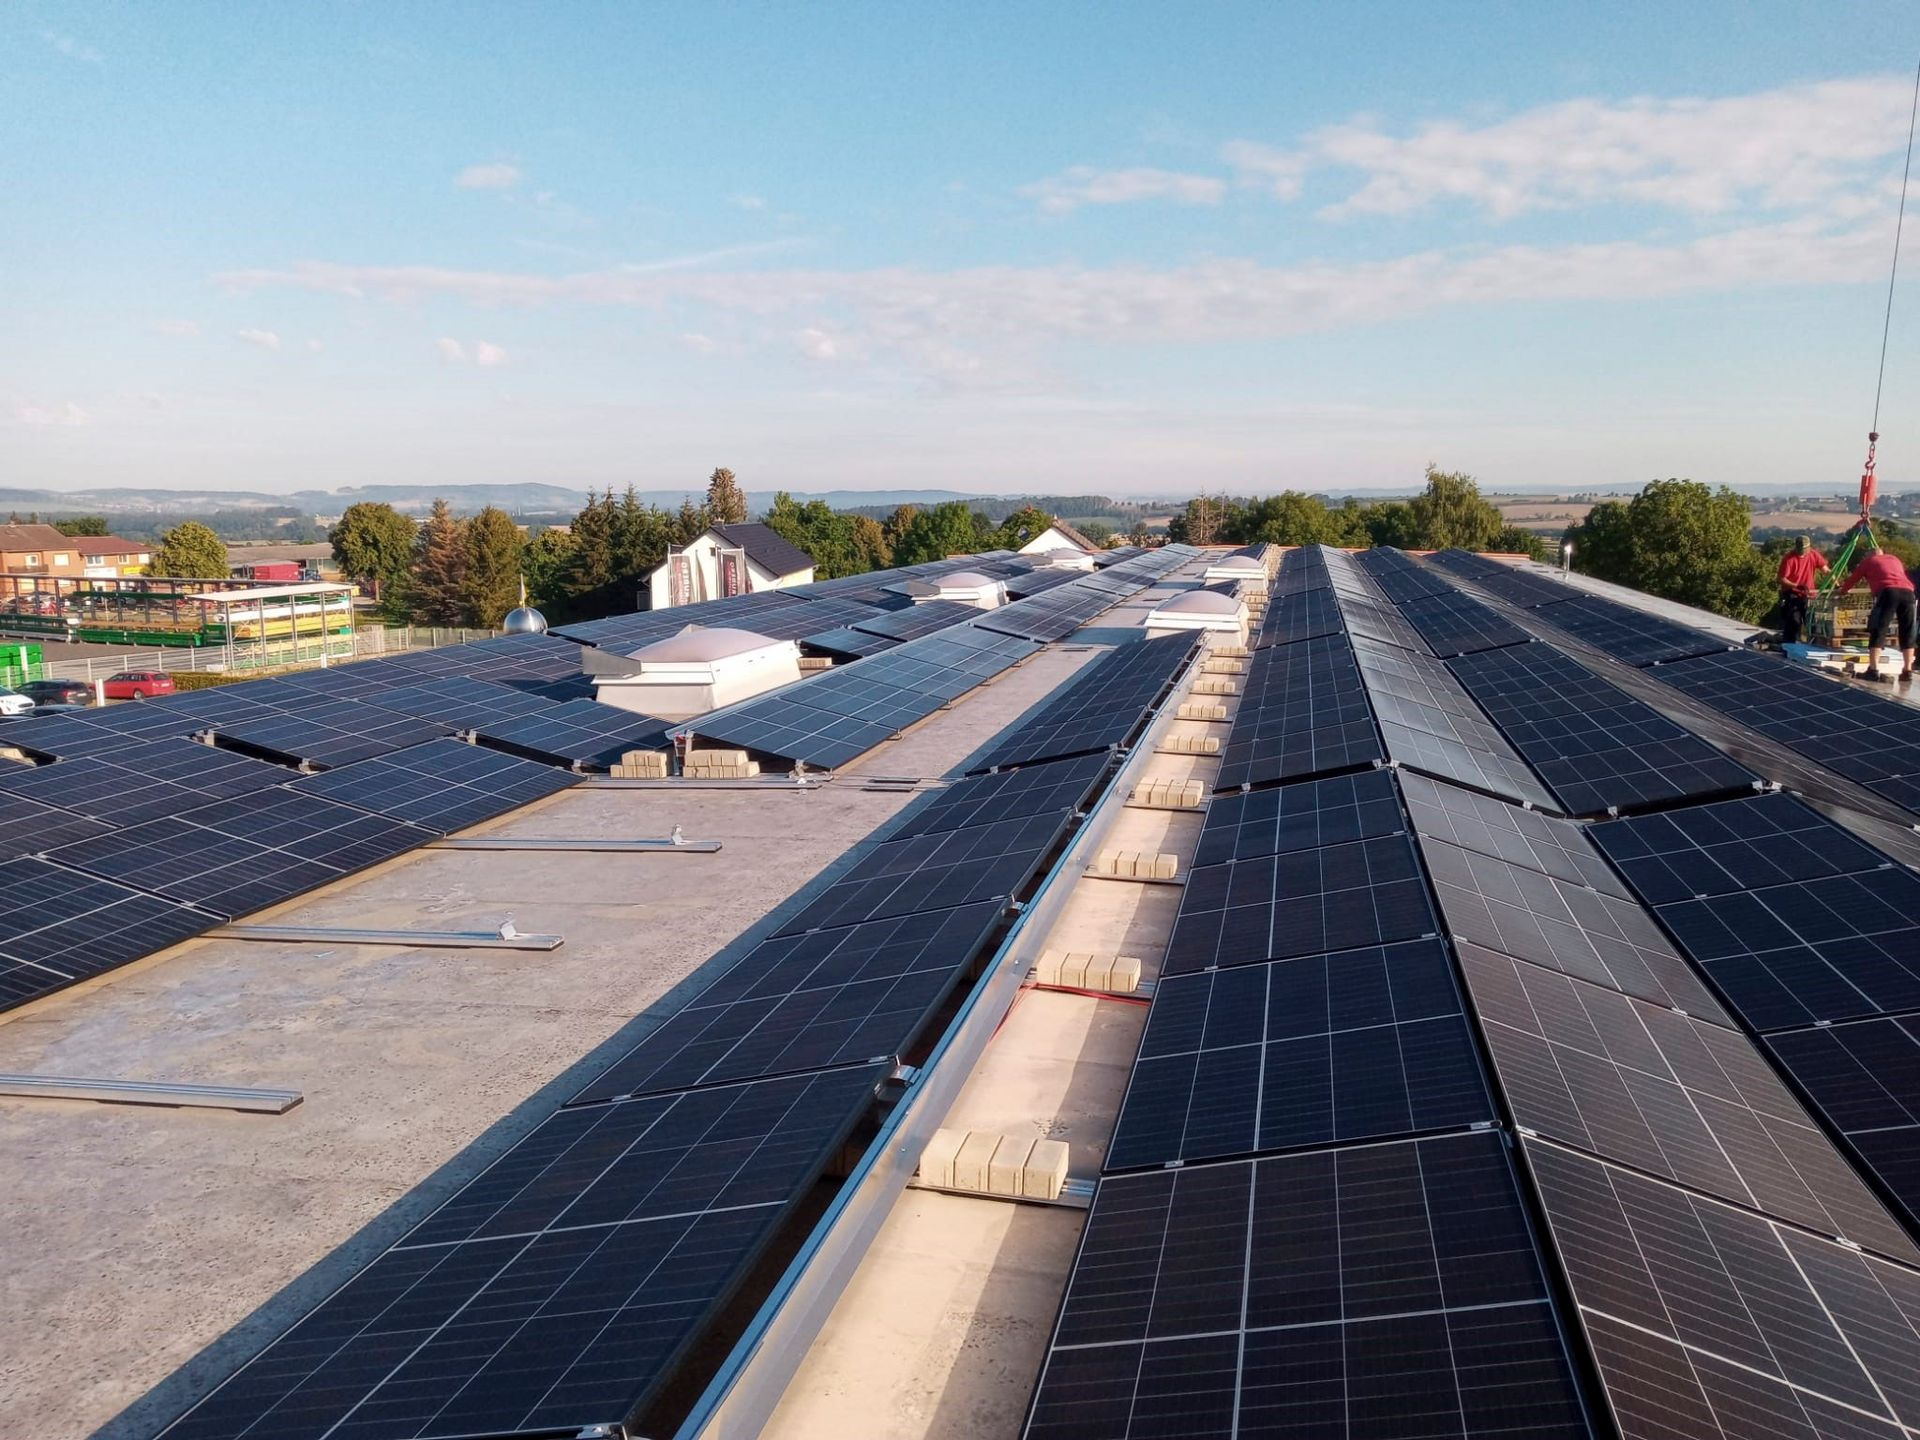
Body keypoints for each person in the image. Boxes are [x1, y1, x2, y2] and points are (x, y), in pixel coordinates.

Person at [1837, 537, 1918, 682]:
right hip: (1909, 593)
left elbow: (1853, 579)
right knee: (1907, 631)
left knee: (1879, 629)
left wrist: (1842, 591)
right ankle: (1907, 670)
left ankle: (1873, 670)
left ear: (1869, 555)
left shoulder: (1868, 561)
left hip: (1889, 593)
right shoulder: (1894, 559)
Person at [1775, 535, 1828, 645]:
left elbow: (1825, 570)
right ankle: (1789, 647)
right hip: (1793, 595)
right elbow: (1781, 578)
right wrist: (1796, 585)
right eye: (1800, 550)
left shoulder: (1813, 555)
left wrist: (1836, 582)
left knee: (1812, 624)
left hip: (1809, 595)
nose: (1802, 552)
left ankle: (1813, 646)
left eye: (1804, 550)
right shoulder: (1789, 559)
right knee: (1794, 623)